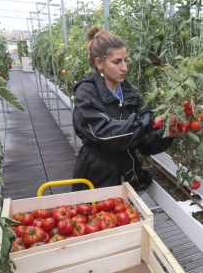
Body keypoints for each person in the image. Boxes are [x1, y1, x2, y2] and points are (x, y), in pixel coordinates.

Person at [71, 26, 185, 192]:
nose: (124, 67)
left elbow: (144, 144)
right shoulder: (86, 93)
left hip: (127, 173)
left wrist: (166, 134)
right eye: (117, 62)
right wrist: (151, 121)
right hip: (97, 177)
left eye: (125, 60)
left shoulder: (129, 93)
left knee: (126, 217)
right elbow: (104, 132)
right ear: (99, 63)